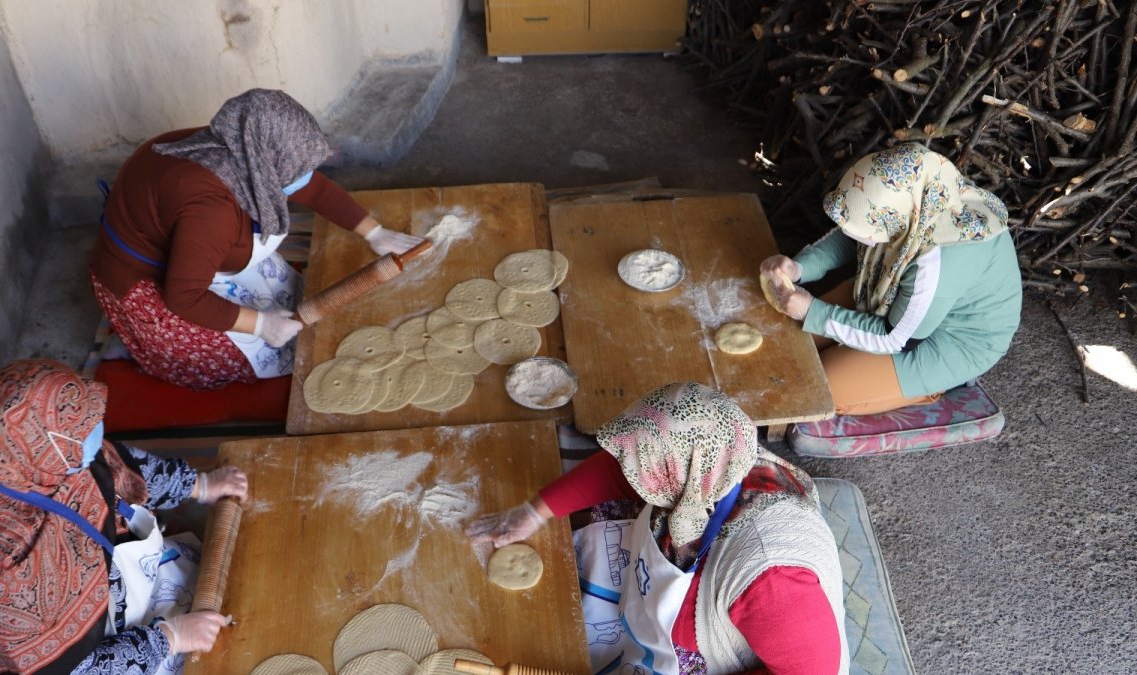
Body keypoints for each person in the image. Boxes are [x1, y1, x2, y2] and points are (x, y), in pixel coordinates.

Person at [467, 382, 848, 674]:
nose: (634, 474)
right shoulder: (717, 455)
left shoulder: (774, 583)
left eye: (646, 472)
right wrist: (534, 511)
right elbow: (624, 469)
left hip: (726, 658)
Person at [88, 88, 425, 390]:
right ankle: (143, 343)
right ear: (266, 166)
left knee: (288, 299)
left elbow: (313, 186)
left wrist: (375, 233)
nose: (304, 178)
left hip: (188, 241)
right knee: (245, 352)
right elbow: (183, 296)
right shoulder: (211, 210)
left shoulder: (241, 146)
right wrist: (261, 325)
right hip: (140, 281)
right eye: (294, 172)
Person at [0, 360, 249, 674]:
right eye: (83, 431)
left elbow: (119, 468)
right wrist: (171, 637)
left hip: (122, 583)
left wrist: (200, 486)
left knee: (237, 588)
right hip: (95, 658)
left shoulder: (37, 451)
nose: (94, 437)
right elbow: (74, 668)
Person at [761, 142, 1022, 415]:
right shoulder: (915, 197)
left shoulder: (934, 263)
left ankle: (929, 389)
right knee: (787, 345)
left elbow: (895, 338)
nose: (862, 237)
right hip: (892, 286)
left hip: (946, 340)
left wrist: (812, 311)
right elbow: (855, 233)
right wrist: (799, 267)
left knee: (818, 388)